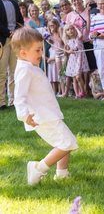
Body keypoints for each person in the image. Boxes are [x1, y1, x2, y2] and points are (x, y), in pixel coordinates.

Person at [11, 27, 78, 185]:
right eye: (37, 50)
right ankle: (38, 168)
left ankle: (62, 173)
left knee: (63, 141)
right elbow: (18, 97)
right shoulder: (24, 70)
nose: (41, 53)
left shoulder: (30, 67)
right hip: (41, 116)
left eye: (41, 49)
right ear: (23, 53)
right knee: (68, 142)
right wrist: (24, 115)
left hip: (49, 114)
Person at [0, 0, 24, 110]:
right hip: (2, 41)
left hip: (15, 40)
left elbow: (20, 21)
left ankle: (14, 101)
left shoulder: (14, 3)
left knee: (15, 71)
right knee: (1, 72)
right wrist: (9, 32)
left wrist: (18, 32)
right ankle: (1, 102)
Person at [62, 24, 89, 98]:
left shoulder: (78, 38)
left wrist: (76, 27)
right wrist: (68, 51)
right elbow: (65, 52)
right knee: (73, 78)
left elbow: (80, 35)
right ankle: (77, 94)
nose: (70, 31)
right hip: (72, 60)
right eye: (68, 30)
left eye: (72, 29)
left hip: (80, 59)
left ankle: (83, 92)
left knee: (78, 77)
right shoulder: (67, 42)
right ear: (65, 32)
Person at [47, 19, 65, 96]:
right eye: (50, 26)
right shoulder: (51, 34)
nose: (51, 27)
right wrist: (50, 40)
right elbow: (54, 46)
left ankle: (66, 91)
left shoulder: (60, 30)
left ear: (56, 25)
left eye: (53, 25)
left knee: (65, 72)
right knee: (60, 73)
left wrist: (55, 34)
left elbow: (62, 42)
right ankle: (62, 91)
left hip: (63, 52)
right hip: (57, 54)